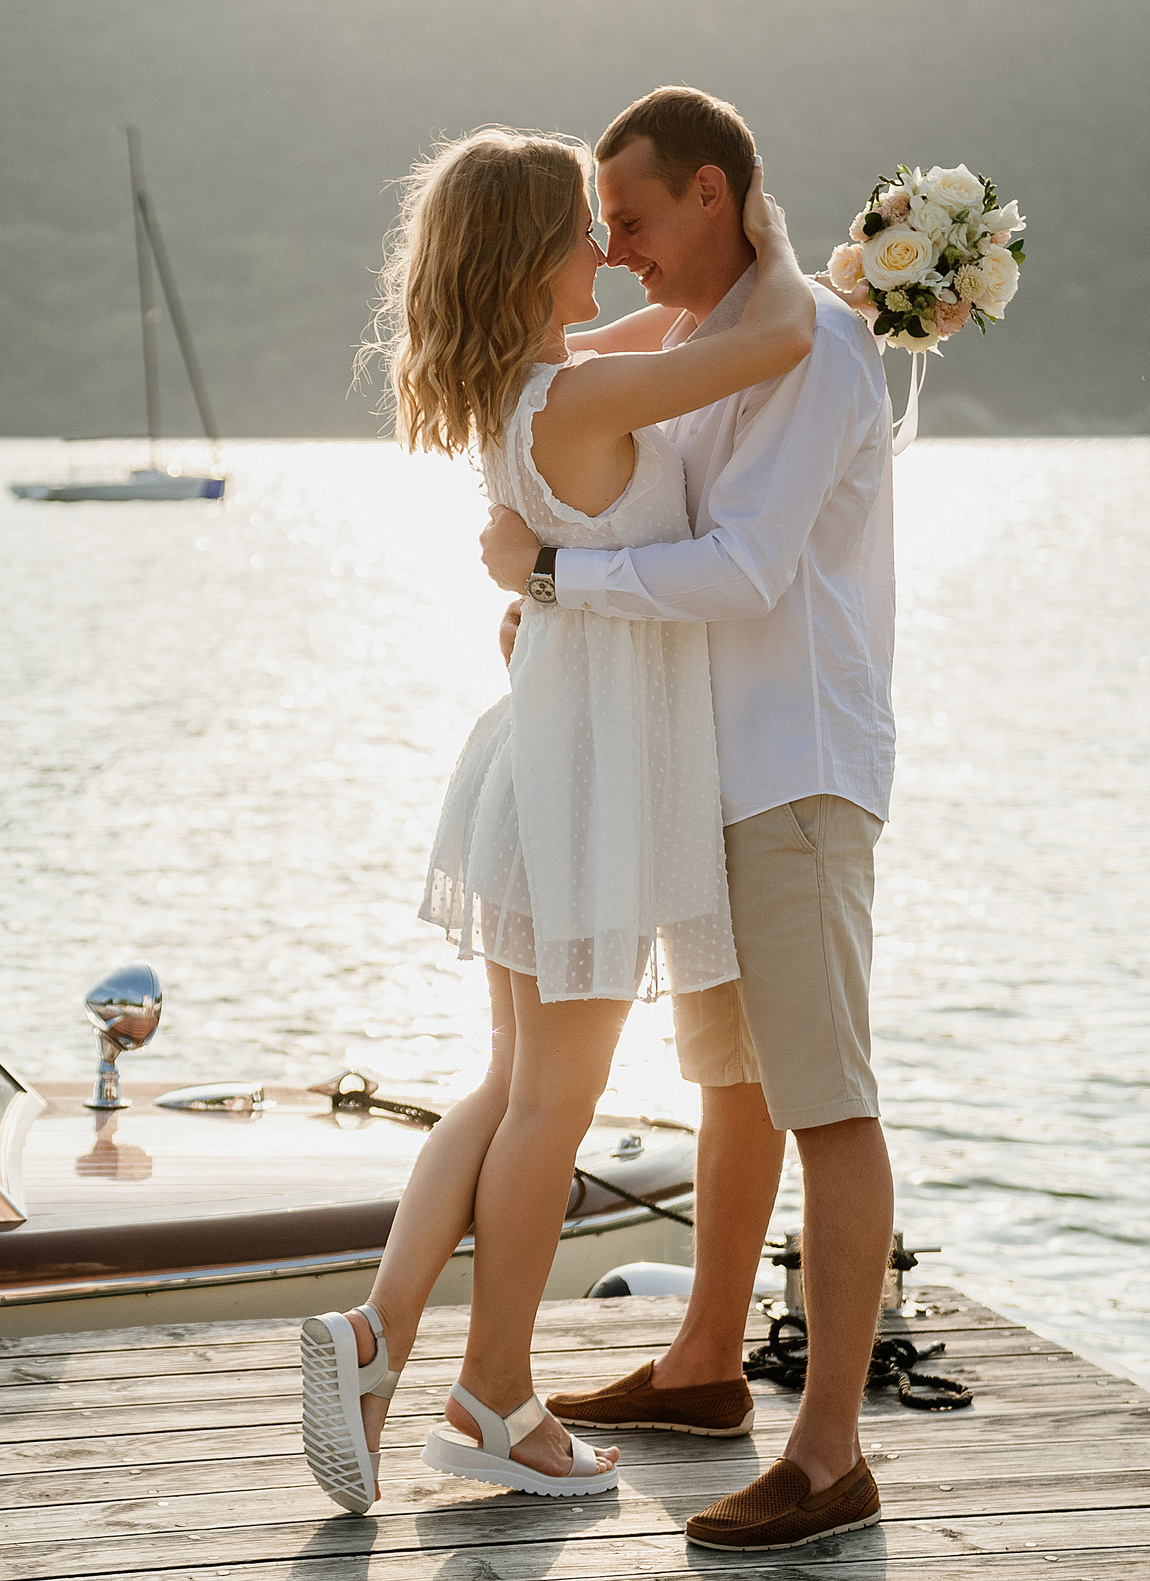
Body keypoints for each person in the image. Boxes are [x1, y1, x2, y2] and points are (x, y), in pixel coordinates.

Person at [298, 124, 815, 1516]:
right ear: (536, 256)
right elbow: (767, 341)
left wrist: (743, 279)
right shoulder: (583, 399)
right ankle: (496, 1398)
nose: (606, 245)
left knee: (506, 1086)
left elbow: (683, 328)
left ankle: (377, 1335)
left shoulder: (535, 390)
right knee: (550, 1104)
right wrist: (775, 240)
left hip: (544, 769)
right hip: (586, 787)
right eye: (586, 227)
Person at [481, 87, 896, 1553]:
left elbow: (744, 569)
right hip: (706, 772)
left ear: (712, 192)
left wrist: (551, 580)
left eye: (635, 218)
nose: (617, 249)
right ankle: (707, 1362)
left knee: (827, 1100)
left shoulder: (815, 348)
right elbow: (558, 395)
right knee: (732, 1083)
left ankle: (831, 1454)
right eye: (601, 227)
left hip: (797, 768)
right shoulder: (715, 344)